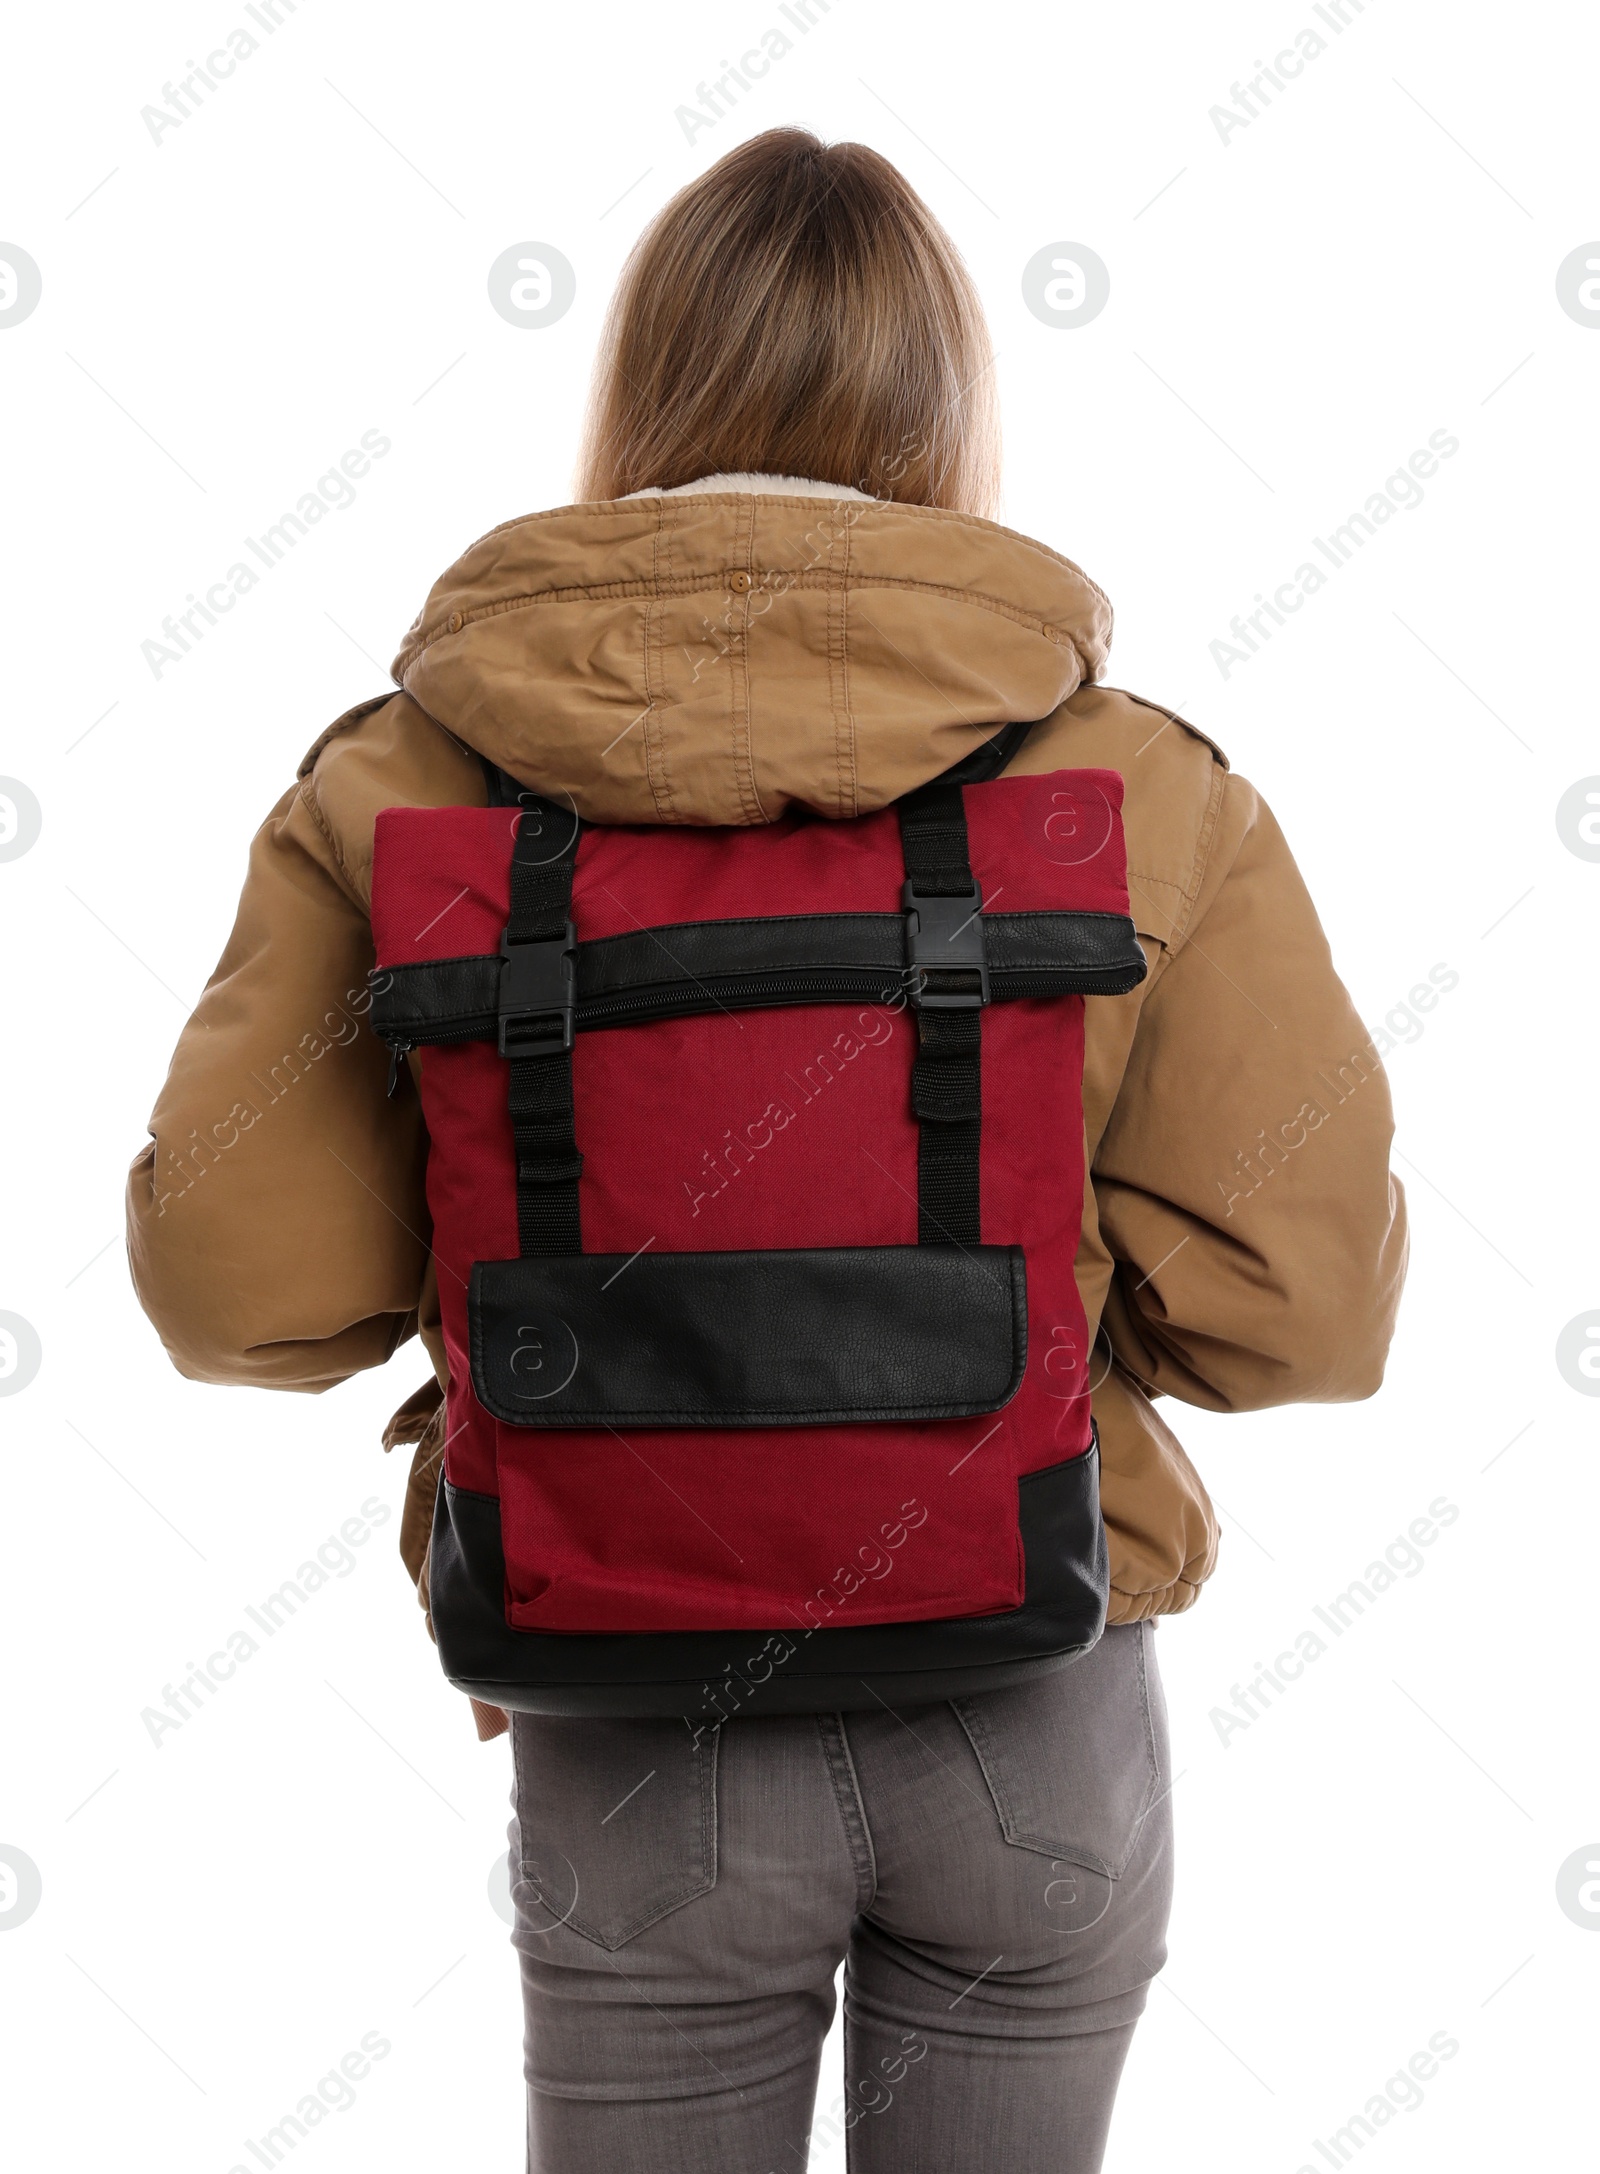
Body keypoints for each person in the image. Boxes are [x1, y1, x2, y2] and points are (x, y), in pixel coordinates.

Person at [127, 127, 1407, 2174]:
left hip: (632, 1729)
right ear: (947, 406)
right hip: (1035, 1700)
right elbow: (1300, 1318)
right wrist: (987, 1327)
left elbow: (238, 1288)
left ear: (636, 390)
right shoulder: (1136, 780)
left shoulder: (397, 783)